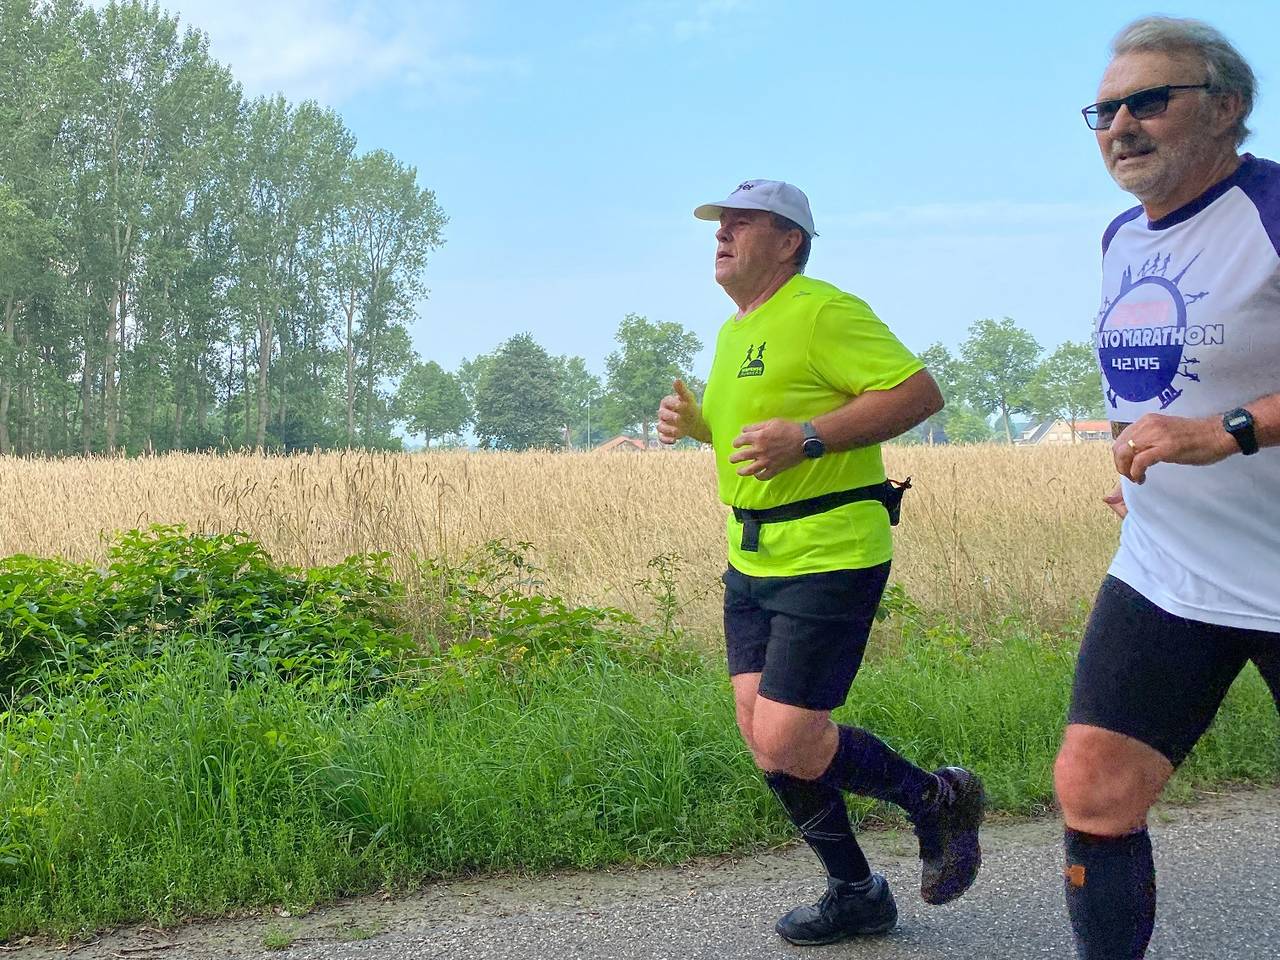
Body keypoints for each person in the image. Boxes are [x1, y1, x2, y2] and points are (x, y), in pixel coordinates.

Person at [658, 179, 984, 946]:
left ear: (789, 241)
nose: (721, 234)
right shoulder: (736, 330)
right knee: (761, 734)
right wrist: (702, 426)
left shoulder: (823, 310)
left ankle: (935, 800)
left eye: (741, 223)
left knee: (785, 738)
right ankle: (856, 892)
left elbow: (919, 393)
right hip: (753, 556)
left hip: (830, 550)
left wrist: (809, 436)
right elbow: (755, 440)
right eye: (719, 224)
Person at [1056, 16, 1280, 959]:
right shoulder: (1121, 239)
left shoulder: (1270, 209)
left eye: (1148, 101)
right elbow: (1144, 384)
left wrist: (1227, 432)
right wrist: (1138, 470)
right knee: (1094, 787)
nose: (1120, 125)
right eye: (1105, 110)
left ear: (1227, 108)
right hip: (1169, 568)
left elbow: (1213, 413)